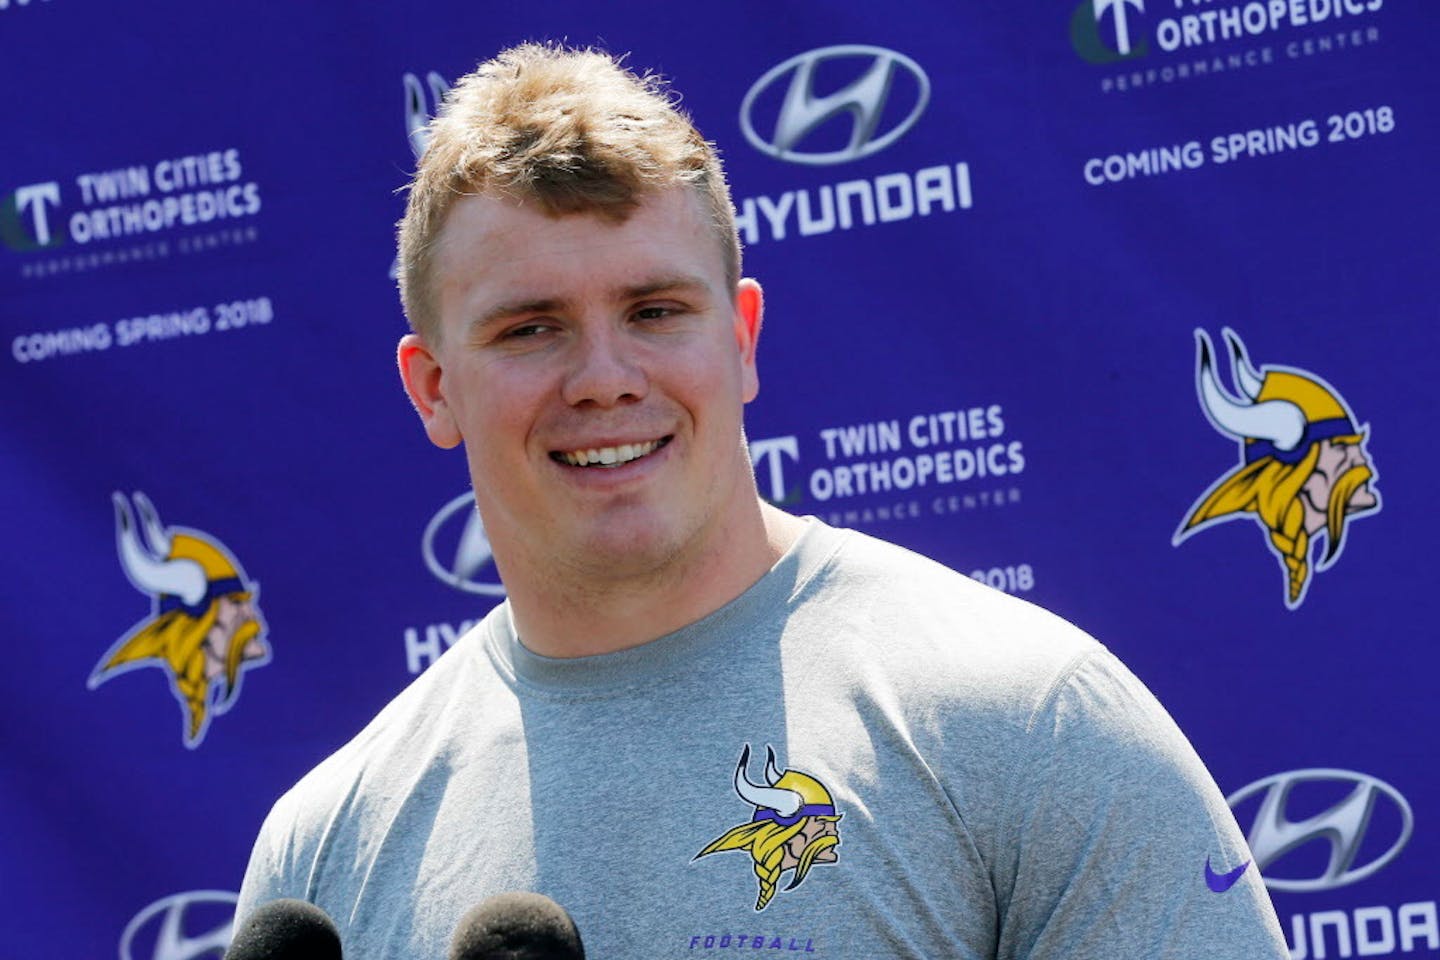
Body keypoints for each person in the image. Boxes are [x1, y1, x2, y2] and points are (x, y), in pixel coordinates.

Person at [235, 43, 1289, 958]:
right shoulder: (326, 842)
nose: (604, 377)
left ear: (740, 339)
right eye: (530, 328)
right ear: (433, 387)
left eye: (654, 310)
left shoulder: (1031, 721)